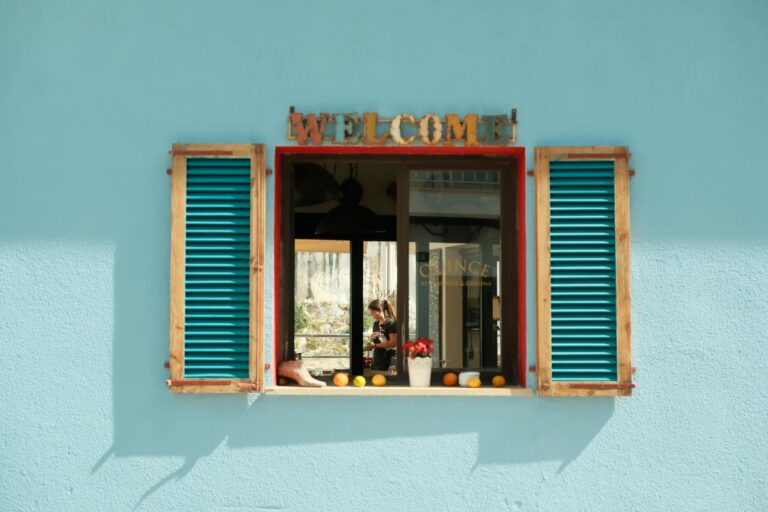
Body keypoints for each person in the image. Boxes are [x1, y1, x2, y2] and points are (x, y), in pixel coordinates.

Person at [364, 299, 397, 371]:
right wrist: (372, 339)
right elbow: (378, 341)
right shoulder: (375, 324)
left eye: (373, 312)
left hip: (387, 358)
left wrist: (374, 345)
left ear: (380, 310)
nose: (371, 315)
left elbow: (393, 343)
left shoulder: (391, 323)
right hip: (377, 358)